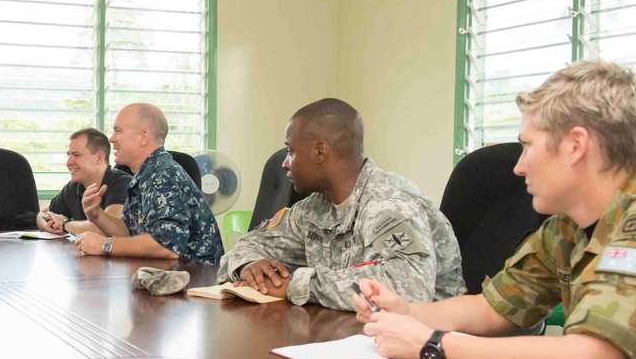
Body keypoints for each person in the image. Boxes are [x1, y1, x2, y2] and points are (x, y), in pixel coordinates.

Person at [355, 59, 636, 359]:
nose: (518, 167)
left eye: (527, 145)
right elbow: (492, 307)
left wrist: (431, 345)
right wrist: (409, 312)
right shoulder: (566, 228)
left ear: (575, 146)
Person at [217, 98, 465, 310]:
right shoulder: (313, 208)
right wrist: (250, 266)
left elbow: (407, 288)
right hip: (353, 335)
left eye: (290, 151)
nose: (285, 163)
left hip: (432, 347)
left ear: (320, 152)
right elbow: (250, 243)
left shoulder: (389, 204)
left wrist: (297, 286)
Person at [74, 103, 223, 265]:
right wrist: (97, 216)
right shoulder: (145, 173)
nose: (111, 139)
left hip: (197, 279)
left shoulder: (162, 175)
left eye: (118, 131)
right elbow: (130, 233)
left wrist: (105, 245)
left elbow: (166, 246)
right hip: (165, 274)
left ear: (143, 137)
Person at [35, 128, 131, 236]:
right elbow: (42, 214)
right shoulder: (75, 186)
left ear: (99, 158)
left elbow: (110, 229)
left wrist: (65, 224)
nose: (69, 162)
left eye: (76, 155)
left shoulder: (122, 183)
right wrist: (48, 225)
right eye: (69, 155)